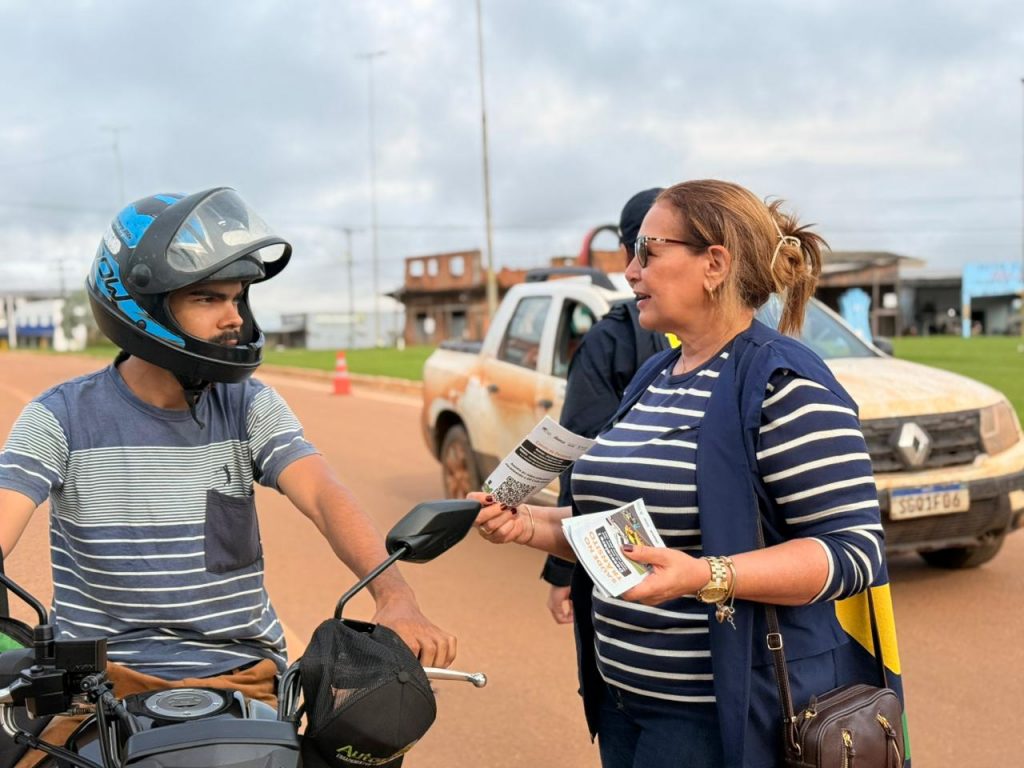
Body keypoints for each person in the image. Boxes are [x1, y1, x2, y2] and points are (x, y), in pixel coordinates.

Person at [471, 180, 906, 768]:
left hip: (720, 719)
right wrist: (530, 524)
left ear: (714, 264)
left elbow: (855, 552)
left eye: (647, 252)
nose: (630, 272)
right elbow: (620, 531)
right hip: (624, 702)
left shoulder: (784, 383)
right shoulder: (654, 375)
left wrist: (707, 575)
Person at [0, 188, 455, 708]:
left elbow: (323, 494)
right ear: (140, 304)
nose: (233, 316)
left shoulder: (247, 405)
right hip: (98, 687)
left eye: (237, 297)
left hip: (240, 677)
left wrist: (395, 596)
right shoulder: (61, 416)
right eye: (207, 298)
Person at [541, 188, 670, 624]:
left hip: (641, 567)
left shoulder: (611, 340)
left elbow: (579, 454)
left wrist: (563, 569)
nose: (634, 273)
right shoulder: (749, 340)